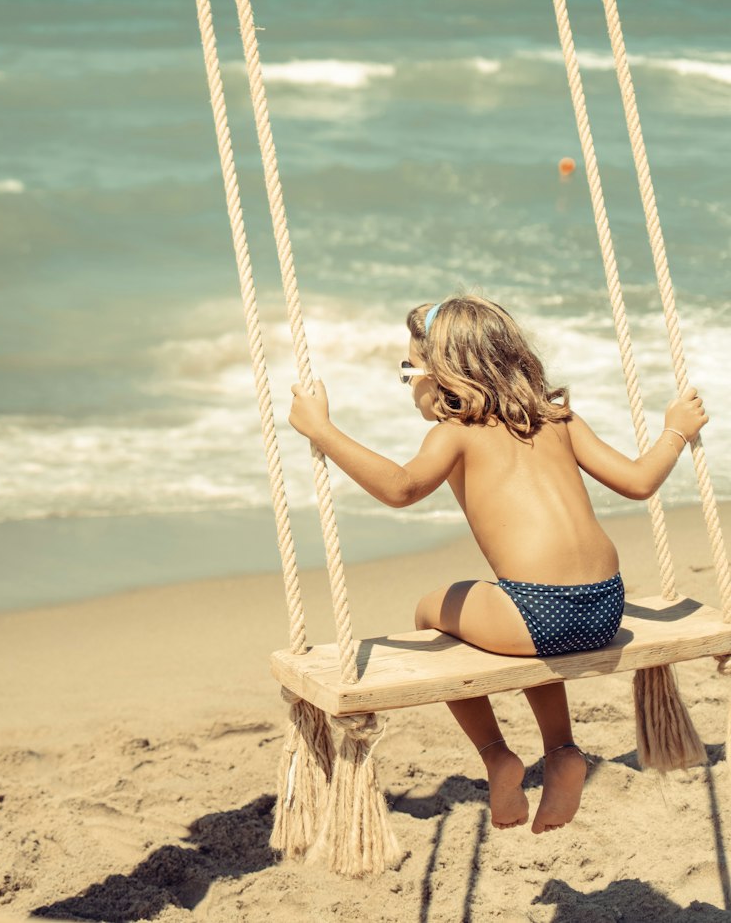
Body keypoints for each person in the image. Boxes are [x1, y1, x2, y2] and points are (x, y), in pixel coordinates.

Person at [287, 294, 709, 835]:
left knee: (429, 611)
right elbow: (639, 481)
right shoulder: (558, 419)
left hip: (537, 613)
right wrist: (675, 429)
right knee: (518, 613)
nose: (409, 384)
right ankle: (561, 751)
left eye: (409, 370)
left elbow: (400, 488)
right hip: (607, 606)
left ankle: (496, 757)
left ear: (444, 375)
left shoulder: (454, 433)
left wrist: (321, 430)